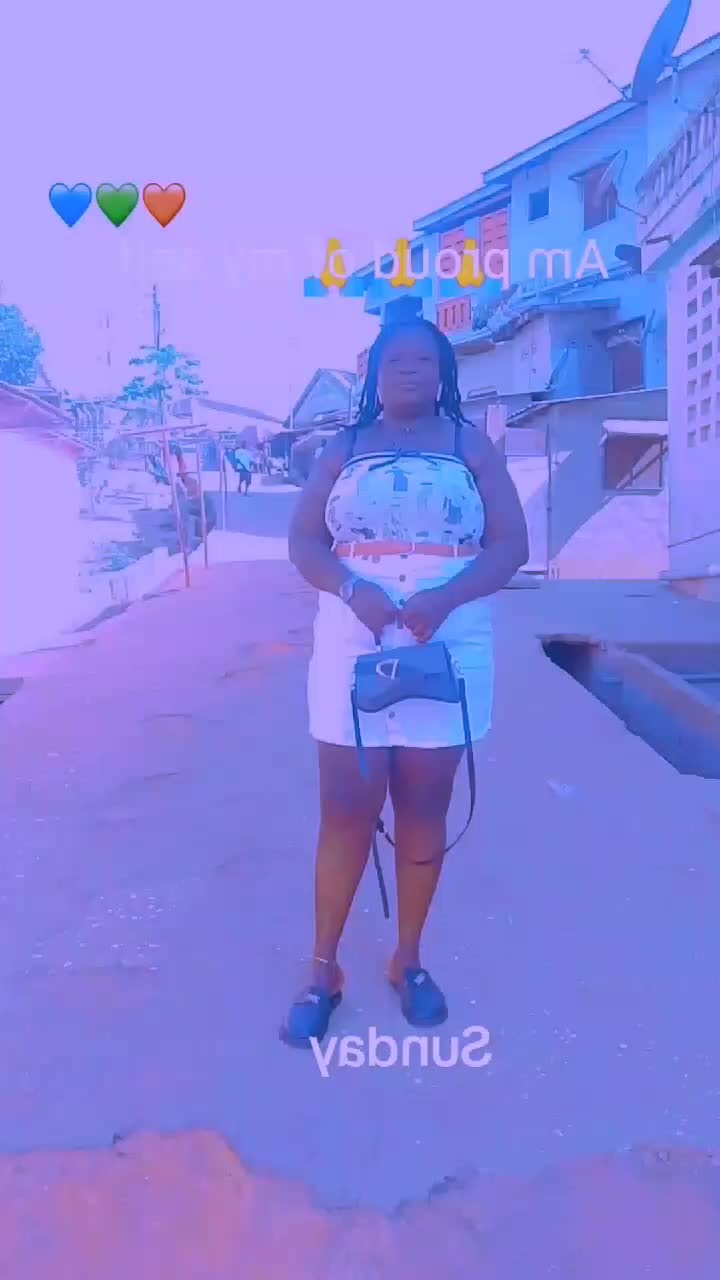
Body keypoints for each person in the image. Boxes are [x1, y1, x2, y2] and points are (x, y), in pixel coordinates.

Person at [281, 317, 529, 1048]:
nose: (411, 369)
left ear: (444, 372)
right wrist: (350, 587)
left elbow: (510, 545)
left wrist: (445, 597)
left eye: (425, 359)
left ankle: (408, 961)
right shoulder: (343, 447)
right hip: (352, 631)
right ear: (374, 375)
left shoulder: (471, 446)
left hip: (447, 632)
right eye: (396, 360)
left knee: (424, 805)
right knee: (346, 809)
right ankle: (322, 971)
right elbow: (303, 541)